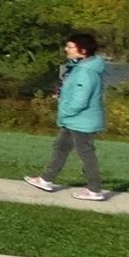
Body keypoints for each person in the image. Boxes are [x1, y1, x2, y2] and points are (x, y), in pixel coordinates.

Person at [26, 34, 111, 201]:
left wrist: (64, 110)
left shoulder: (86, 72)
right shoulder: (80, 68)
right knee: (61, 147)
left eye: (70, 47)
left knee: (86, 153)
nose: (66, 49)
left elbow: (80, 100)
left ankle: (95, 190)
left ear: (83, 51)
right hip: (74, 120)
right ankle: (46, 180)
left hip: (81, 121)